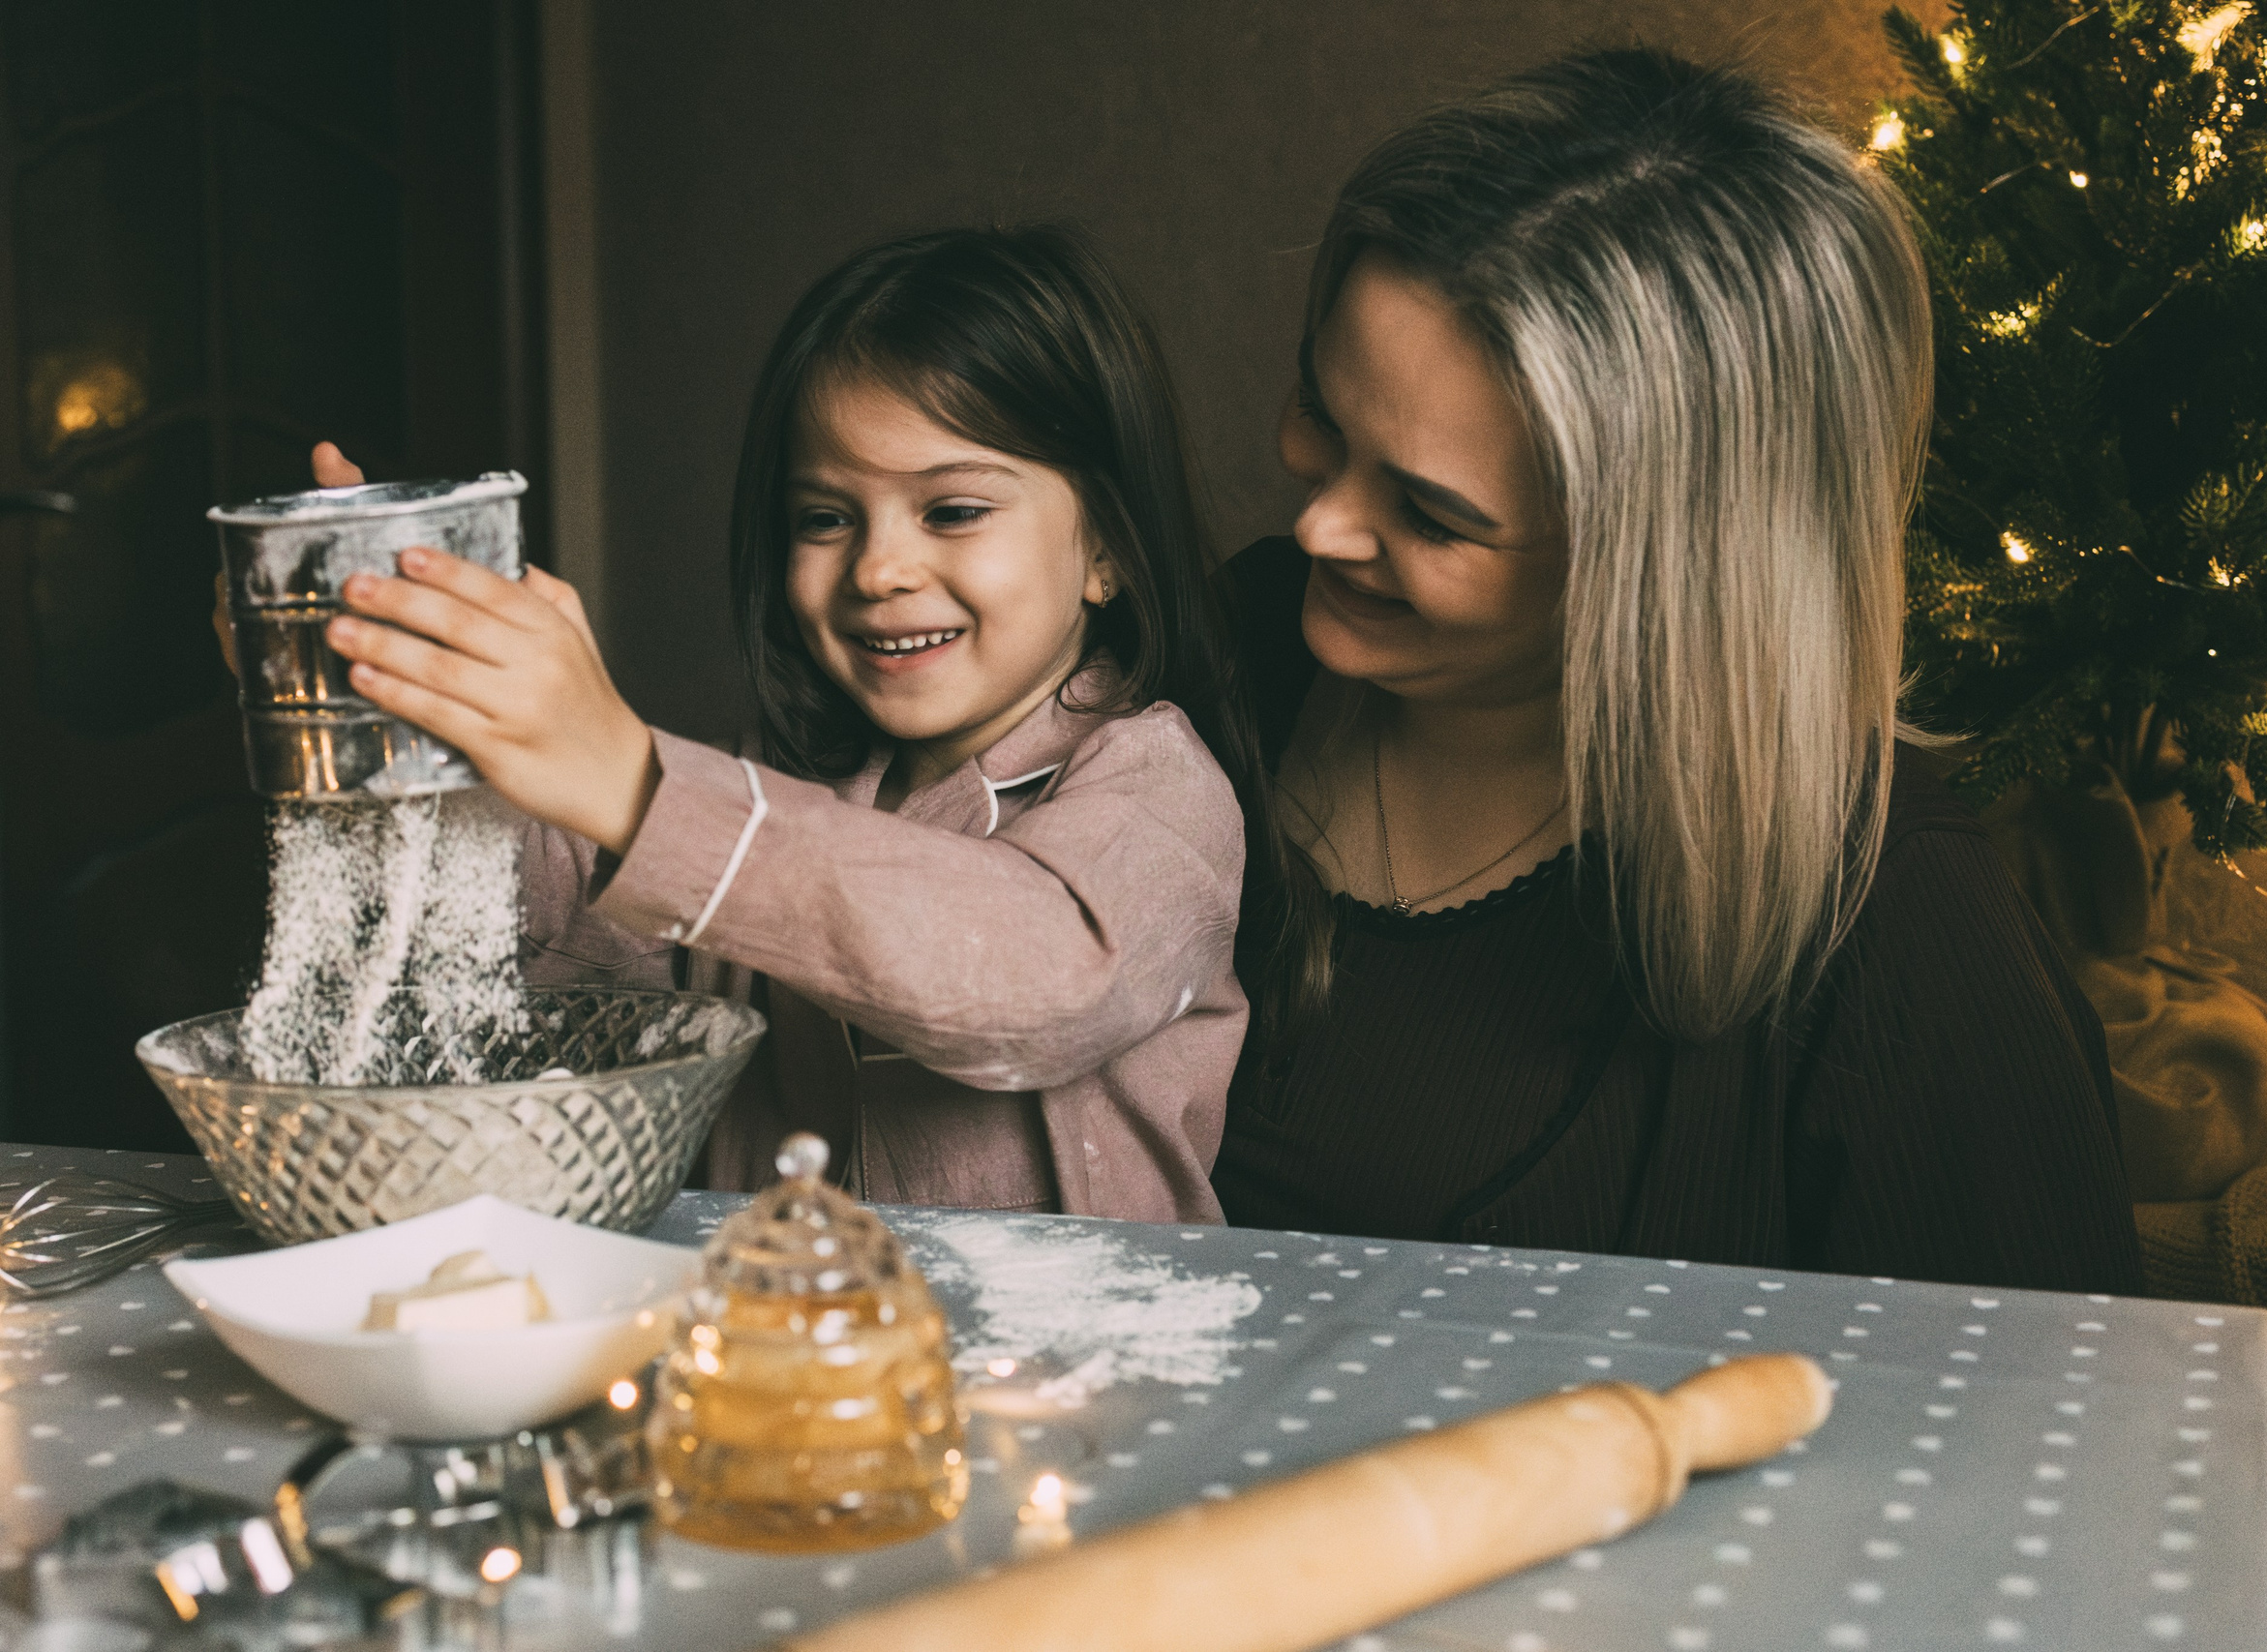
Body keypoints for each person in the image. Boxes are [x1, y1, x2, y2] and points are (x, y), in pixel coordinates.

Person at [1215, 48, 2149, 1293]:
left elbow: (2046, 1448)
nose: (1322, 526)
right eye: (1323, 419)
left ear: (1663, 566)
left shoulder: (1897, 930)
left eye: (1433, 515)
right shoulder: (1223, 654)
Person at [308, 225, 1270, 1221]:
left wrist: (636, 787)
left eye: (950, 511)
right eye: (825, 518)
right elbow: (539, 960)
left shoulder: (1159, 792)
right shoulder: (764, 782)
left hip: (1080, 1366)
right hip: (771, 1362)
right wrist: (401, 686)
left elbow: (1042, 982)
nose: (877, 569)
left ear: (1107, 547)